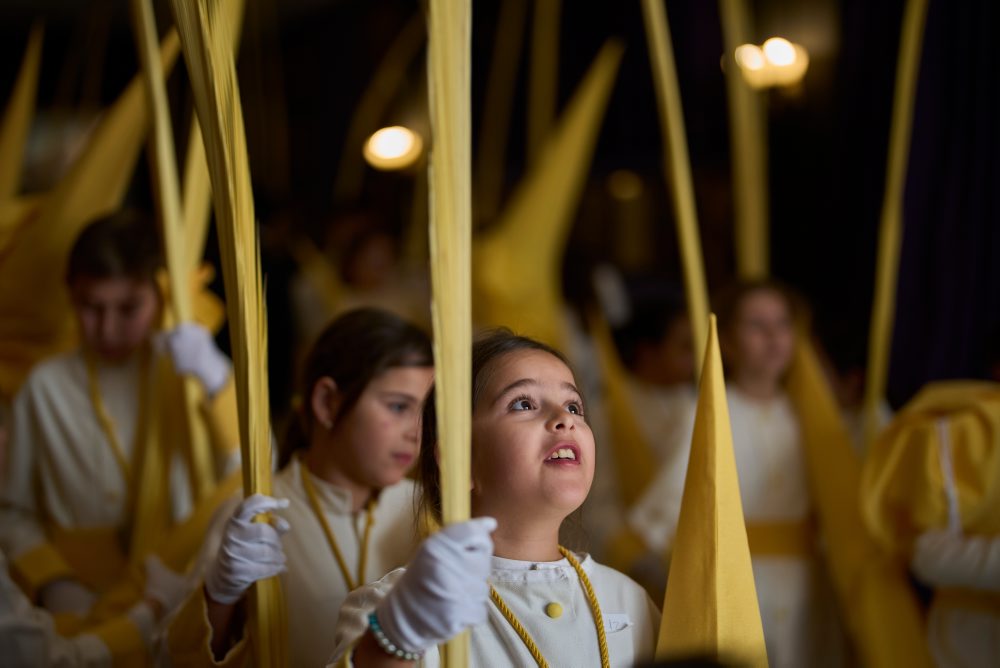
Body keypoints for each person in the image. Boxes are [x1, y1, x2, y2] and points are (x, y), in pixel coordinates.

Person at [328, 330, 660, 667]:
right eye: (523, 403)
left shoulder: (629, 599)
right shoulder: (394, 610)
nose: (565, 420)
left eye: (574, 405)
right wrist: (395, 641)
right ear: (462, 460)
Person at [0, 210, 238, 651]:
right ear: (71, 296)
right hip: (81, 607)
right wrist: (51, 578)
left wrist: (216, 380)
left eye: (128, 309)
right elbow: (13, 509)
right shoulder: (44, 384)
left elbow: (246, 470)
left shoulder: (185, 372)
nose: (108, 328)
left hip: (176, 590)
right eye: (91, 308)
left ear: (161, 296)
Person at [165, 308, 434, 667]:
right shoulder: (255, 515)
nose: (416, 431)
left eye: (425, 413)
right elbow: (172, 659)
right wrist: (218, 595)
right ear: (327, 402)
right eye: (398, 406)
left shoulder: (422, 512)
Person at [628, 280, 839, 668]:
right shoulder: (706, 412)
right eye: (757, 325)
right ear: (728, 340)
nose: (773, 337)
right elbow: (667, 503)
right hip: (740, 580)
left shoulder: (813, 417)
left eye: (782, 324)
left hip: (810, 585)